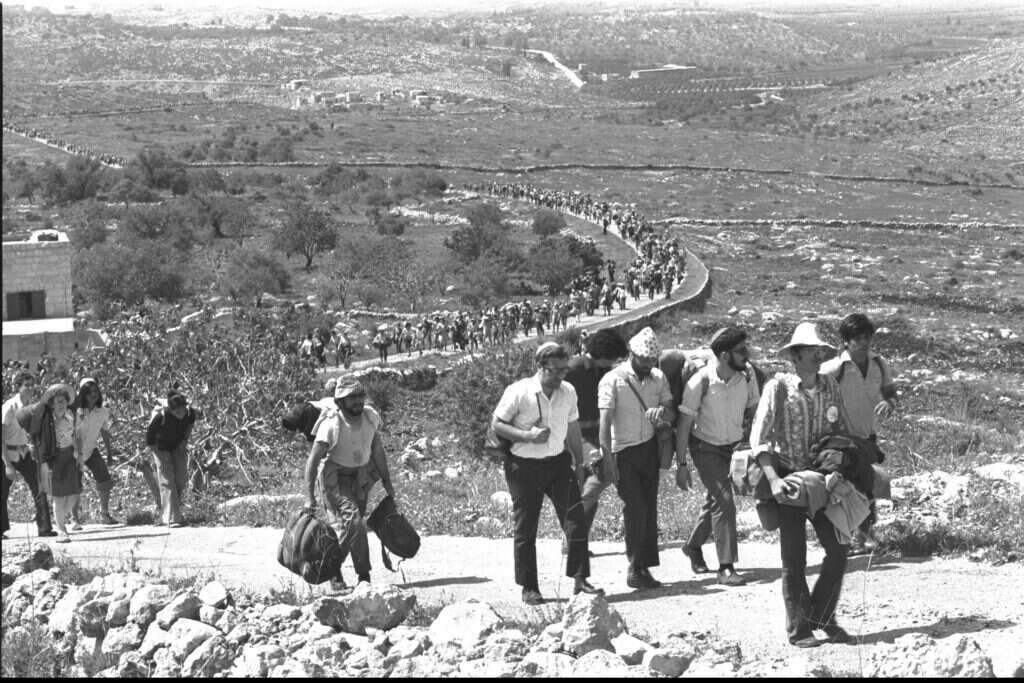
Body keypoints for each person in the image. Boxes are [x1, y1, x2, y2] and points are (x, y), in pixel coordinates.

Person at [749, 322, 854, 648]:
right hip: (790, 481)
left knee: (838, 550)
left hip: (822, 480)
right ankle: (798, 629)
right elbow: (759, 439)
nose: (818, 355)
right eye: (811, 350)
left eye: (820, 350)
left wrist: (838, 462)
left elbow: (841, 428)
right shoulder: (778, 388)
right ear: (795, 356)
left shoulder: (829, 386)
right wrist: (773, 480)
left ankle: (822, 615)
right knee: (793, 558)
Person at [492, 342, 602, 605]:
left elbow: (573, 428)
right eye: (555, 370)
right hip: (523, 466)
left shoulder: (568, 392)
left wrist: (579, 462)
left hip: (558, 464)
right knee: (526, 527)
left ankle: (580, 579)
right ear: (540, 366)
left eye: (564, 370)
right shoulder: (519, 391)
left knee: (576, 520)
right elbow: (497, 424)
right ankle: (529, 587)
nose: (560, 375)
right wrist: (527, 436)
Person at [676, 327, 760, 586]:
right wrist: (681, 465)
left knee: (716, 500)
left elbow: (755, 411)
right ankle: (726, 567)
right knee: (724, 500)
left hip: (734, 449)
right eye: (741, 351)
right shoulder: (699, 382)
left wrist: (754, 445)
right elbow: (684, 425)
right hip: (705, 448)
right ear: (724, 356)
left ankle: (693, 546)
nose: (747, 355)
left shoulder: (747, 375)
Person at [598, 326, 675, 590]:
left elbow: (671, 411)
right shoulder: (612, 379)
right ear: (631, 354)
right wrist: (607, 458)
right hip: (623, 451)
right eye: (643, 359)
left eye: (651, 360)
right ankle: (635, 566)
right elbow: (605, 421)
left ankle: (643, 567)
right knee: (636, 508)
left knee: (648, 508)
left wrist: (661, 412)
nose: (647, 365)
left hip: (648, 448)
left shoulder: (658, 378)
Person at [305, 377, 396, 590]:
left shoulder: (370, 418)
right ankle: (338, 571)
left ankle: (357, 577)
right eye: (351, 397)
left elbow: (377, 449)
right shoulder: (331, 425)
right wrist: (309, 496)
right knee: (354, 521)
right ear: (340, 402)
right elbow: (313, 461)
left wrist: (386, 480)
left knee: (355, 526)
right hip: (335, 479)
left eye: (360, 395)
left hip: (360, 477)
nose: (357, 401)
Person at [820, 313, 898, 555]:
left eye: (867, 338)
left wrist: (889, 403)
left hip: (867, 437)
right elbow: (816, 394)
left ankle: (862, 537)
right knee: (850, 488)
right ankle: (852, 538)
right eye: (858, 339)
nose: (864, 343)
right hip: (843, 440)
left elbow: (890, 392)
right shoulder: (835, 368)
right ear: (846, 341)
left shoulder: (879, 364)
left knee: (867, 486)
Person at [563, 328, 629, 545]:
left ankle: (577, 540)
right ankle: (573, 540)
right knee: (588, 486)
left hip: (595, 435)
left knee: (590, 492)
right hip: (576, 435)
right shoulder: (574, 368)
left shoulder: (604, 371)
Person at [2, 372, 56, 538]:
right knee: (2, 492)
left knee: (39, 487)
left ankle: (44, 528)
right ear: (18, 387)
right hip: (7, 453)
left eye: (32, 385)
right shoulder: (9, 407)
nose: (31, 388)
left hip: (24, 452)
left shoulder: (31, 407)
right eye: (27, 385)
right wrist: (7, 465)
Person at [30, 384, 79, 543]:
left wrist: (79, 454)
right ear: (52, 404)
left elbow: (75, 436)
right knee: (58, 496)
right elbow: (37, 436)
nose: (61, 405)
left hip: (69, 456)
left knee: (74, 493)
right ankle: (61, 529)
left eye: (64, 401)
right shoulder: (46, 419)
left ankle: (61, 519)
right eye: (58, 402)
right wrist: (44, 460)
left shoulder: (70, 417)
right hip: (54, 458)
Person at [145, 389, 198, 528]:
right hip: (160, 447)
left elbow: (190, 423)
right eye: (177, 412)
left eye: (182, 410)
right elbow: (149, 438)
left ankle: (171, 511)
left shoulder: (190, 413)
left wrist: (185, 440)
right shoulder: (161, 416)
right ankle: (173, 518)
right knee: (167, 480)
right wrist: (158, 453)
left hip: (177, 445)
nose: (181, 414)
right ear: (171, 410)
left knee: (181, 478)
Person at [72, 378, 120, 526]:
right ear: (83, 394)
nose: (93, 395)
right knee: (75, 485)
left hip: (91, 450)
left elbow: (104, 431)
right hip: (74, 453)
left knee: (104, 479)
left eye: (95, 391)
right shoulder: (76, 411)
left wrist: (109, 452)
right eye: (89, 392)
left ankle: (105, 514)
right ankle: (75, 518)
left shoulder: (103, 412)